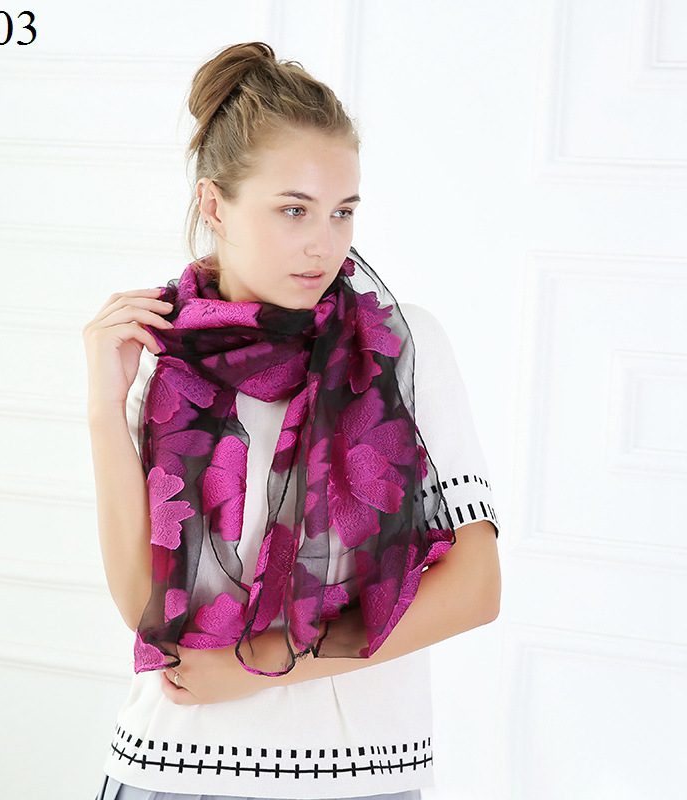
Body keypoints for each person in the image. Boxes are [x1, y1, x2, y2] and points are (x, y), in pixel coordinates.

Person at [83, 41, 501, 800]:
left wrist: (260, 666)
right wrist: (101, 409)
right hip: (176, 765)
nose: (323, 242)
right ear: (215, 205)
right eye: (293, 209)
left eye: (342, 212)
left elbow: (475, 588)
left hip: (356, 774)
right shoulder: (159, 354)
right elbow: (143, 604)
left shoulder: (400, 345)